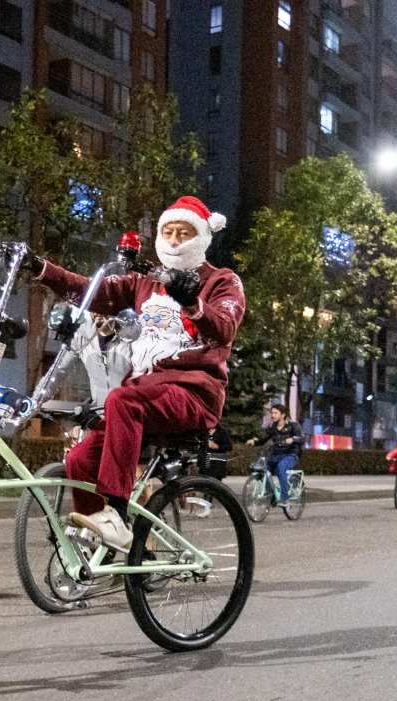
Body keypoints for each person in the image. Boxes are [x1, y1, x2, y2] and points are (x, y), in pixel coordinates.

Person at [26, 195, 246, 550]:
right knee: (80, 458)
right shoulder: (146, 282)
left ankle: (115, 512)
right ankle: (97, 542)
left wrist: (194, 304)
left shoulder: (222, 280)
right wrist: (41, 269)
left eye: (184, 232)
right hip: (148, 393)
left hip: (193, 393)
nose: (174, 239)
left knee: (123, 400)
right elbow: (92, 291)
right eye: (168, 231)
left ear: (202, 237)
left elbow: (224, 328)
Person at [247, 404, 305, 504]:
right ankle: (271, 494)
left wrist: (293, 439)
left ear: (283, 415)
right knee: (260, 469)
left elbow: (302, 438)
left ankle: (284, 498)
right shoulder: (272, 427)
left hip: (291, 455)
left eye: (275, 413)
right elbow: (263, 438)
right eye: (271, 413)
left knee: (281, 468)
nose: (272, 415)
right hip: (275, 455)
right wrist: (254, 441)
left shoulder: (293, 425)